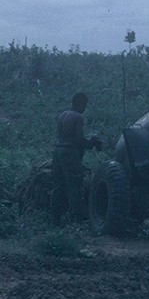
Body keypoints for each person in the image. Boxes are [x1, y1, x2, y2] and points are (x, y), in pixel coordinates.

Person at [51, 92, 102, 224]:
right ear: (81, 103)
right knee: (75, 186)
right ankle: (78, 220)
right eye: (85, 105)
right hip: (69, 152)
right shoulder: (78, 117)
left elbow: (63, 136)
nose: (85, 108)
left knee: (58, 186)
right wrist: (91, 142)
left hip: (57, 151)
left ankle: (55, 219)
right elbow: (79, 140)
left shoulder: (62, 115)